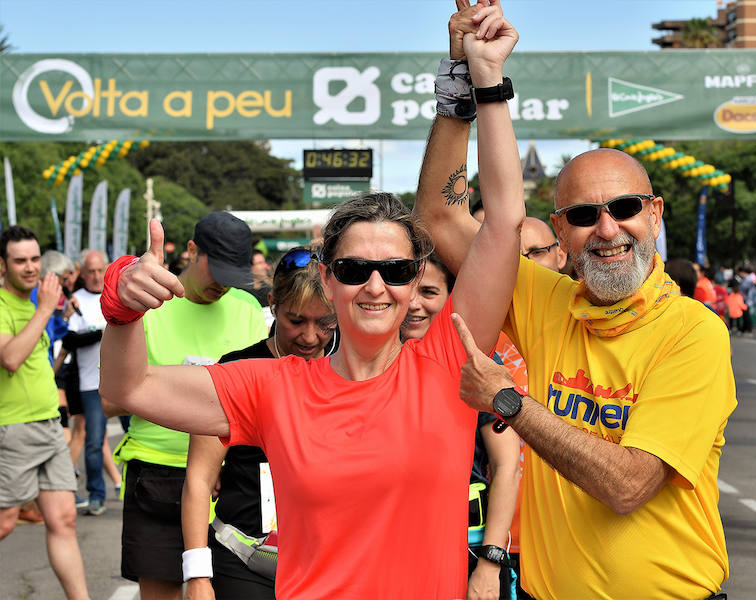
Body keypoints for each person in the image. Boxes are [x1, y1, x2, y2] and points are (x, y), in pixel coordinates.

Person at [99, 8, 522, 598]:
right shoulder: (274, 386)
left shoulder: (449, 363)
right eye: (355, 269)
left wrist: (482, 81)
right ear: (328, 279)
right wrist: (120, 305)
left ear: (413, 280)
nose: (376, 286)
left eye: (396, 270)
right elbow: (129, 390)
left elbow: (503, 221)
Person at [416, 36, 736, 598]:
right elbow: (441, 216)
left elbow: (627, 484)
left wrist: (508, 402)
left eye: (625, 208)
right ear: (560, 233)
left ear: (654, 214)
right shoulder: (544, 300)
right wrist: (465, 78)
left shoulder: (694, 331)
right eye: (585, 215)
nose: (608, 230)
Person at [103, 212, 268, 600]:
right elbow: (111, 400)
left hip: (228, 479)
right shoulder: (148, 299)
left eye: (234, 276)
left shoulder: (246, 306)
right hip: (160, 475)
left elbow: (263, 393)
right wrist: (182, 388)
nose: (225, 286)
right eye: (219, 271)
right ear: (192, 251)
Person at [182, 247, 336, 599]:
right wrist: (197, 575)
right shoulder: (235, 369)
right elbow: (199, 477)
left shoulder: (353, 369)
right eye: (295, 321)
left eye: (325, 323)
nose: (310, 337)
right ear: (272, 305)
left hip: (329, 562)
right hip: (244, 557)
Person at [400, 253, 520, 600]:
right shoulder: (370, 359)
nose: (414, 304)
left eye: (429, 292)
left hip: (465, 556)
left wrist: (489, 564)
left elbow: (507, 466)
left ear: (450, 297)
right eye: (407, 289)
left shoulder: (474, 363)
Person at [0, 225, 91, 600]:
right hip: (13, 428)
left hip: (49, 424)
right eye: (20, 260)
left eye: (35, 258)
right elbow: (11, 358)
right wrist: (43, 309)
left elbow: (44, 363)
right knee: (5, 522)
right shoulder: (7, 305)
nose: (30, 267)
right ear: (2, 265)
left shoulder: (38, 300)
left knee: (63, 519)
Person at [62, 250, 117, 516]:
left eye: (100, 270)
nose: (96, 276)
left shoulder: (117, 294)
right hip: (90, 383)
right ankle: (97, 495)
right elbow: (71, 340)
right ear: (83, 274)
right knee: (94, 442)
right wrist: (101, 332)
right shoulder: (76, 300)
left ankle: (130, 488)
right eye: (90, 271)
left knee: (138, 436)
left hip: (125, 382)